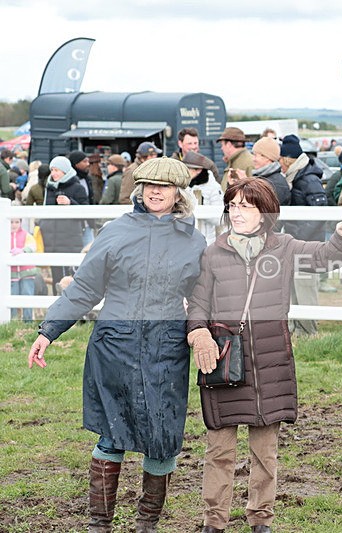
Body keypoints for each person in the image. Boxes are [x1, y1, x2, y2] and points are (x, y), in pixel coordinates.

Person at [27, 157, 208, 532]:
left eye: (165, 186)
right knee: (112, 434)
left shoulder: (193, 241)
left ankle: (147, 525)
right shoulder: (115, 232)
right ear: (139, 190)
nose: (156, 192)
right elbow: (84, 289)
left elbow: (204, 295)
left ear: (179, 193)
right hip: (115, 347)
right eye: (149, 185)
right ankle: (99, 525)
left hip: (166, 349)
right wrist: (48, 331)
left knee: (162, 438)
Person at [187, 178, 342, 533]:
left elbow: (324, 256)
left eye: (246, 206)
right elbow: (198, 302)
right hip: (224, 361)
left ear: (265, 213)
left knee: (264, 452)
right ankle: (214, 522)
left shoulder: (284, 247)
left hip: (270, 363)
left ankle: (261, 520)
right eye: (233, 206)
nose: (237, 213)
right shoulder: (213, 252)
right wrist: (198, 332)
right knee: (219, 449)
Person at [279, 134, 329, 335]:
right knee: (295, 286)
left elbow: (320, 211)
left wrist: (299, 238)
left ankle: (309, 330)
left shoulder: (308, 179)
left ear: (287, 160)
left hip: (308, 244)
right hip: (298, 242)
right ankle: (299, 328)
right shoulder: (298, 177)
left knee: (305, 286)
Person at [38, 156, 90, 295]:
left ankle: (73, 311)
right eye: (52, 170)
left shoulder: (78, 188)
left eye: (57, 170)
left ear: (65, 171)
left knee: (72, 275)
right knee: (56, 276)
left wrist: (70, 203)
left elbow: (86, 212)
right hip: (51, 239)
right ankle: (57, 310)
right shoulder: (49, 187)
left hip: (70, 239)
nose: (53, 173)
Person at [183, 150, 225, 245]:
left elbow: (220, 219)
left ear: (198, 170)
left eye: (187, 169)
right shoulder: (184, 186)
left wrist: (201, 210)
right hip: (186, 240)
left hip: (206, 240)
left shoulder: (213, 187)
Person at [9, 217, 38, 321]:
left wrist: (22, 250)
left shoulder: (26, 235)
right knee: (12, 296)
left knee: (27, 295)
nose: (14, 225)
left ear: (20, 223)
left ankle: (28, 321)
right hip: (11, 273)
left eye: (17, 222)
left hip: (27, 271)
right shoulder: (4, 236)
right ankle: (12, 321)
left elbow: (33, 246)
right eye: (11, 222)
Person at [251, 136, 291, 206]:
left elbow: (263, 209)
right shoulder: (264, 178)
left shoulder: (276, 184)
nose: (253, 159)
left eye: (255, 155)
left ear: (267, 157)